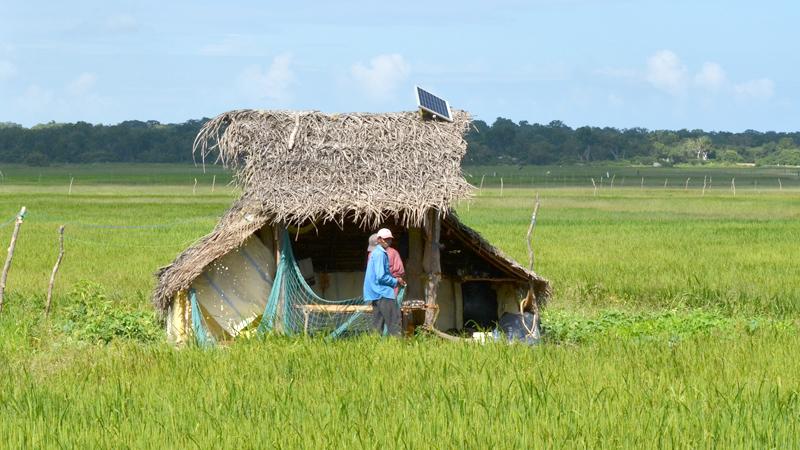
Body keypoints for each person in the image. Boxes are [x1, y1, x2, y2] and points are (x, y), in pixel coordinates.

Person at [363, 228, 406, 336]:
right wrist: (396, 281)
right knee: (394, 324)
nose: (388, 241)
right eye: (386, 239)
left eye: (390, 239)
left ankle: (376, 348)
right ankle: (397, 349)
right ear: (379, 239)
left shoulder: (373, 254)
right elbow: (381, 276)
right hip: (384, 292)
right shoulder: (381, 254)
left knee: (377, 326)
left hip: (375, 293)